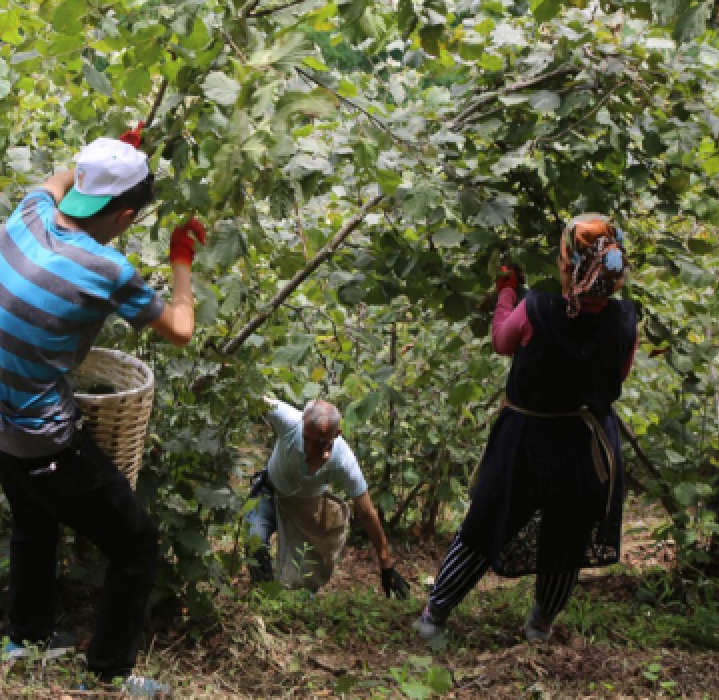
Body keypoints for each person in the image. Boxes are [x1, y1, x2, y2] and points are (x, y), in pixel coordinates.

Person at [0, 126, 205, 697]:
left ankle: (24, 641)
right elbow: (180, 329)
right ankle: (111, 672)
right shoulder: (107, 270)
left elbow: (60, 178)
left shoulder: (30, 212)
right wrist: (180, 263)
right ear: (125, 216)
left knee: (33, 520)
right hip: (39, 440)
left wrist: (109, 156)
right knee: (136, 543)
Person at [414, 213, 638, 643]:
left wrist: (506, 294)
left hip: (527, 442)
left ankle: (434, 615)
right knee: (567, 536)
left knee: (484, 522)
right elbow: (619, 374)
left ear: (568, 262)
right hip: (586, 446)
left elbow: (502, 341)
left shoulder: (536, 309)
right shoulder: (625, 320)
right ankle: (540, 626)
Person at [246, 398, 410, 598]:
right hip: (270, 494)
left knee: (306, 574)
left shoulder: (343, 459)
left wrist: (386, 566)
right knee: (254, 540)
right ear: (302, 423)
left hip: (306, 509)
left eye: (321, 442)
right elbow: (251, 393)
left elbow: (367, 511)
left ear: (336, 435)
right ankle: (265, 598)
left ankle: (299, 606)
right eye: (308, 438)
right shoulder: (288, 421)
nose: (311, 447)